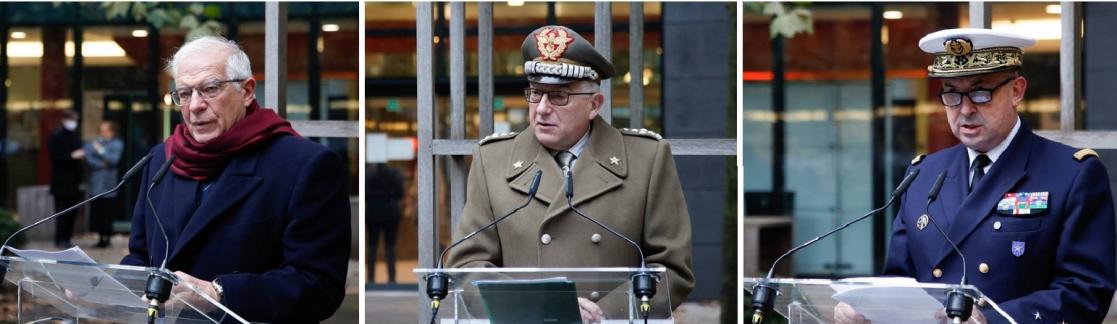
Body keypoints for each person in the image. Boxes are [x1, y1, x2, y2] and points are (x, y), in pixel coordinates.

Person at [840, 28, 1116, 323]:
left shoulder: (1070, 173)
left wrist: (991, 320)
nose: (966, 110)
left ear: (1016, 91)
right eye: (952, 94)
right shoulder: (923, 174)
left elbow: (1085, 293)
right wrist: (869, 311)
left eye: (980, 93)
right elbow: (900, 280)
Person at [446, 25, 695, 322]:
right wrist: (545, 307)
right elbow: (466, 265)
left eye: (559, 96)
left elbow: (672, 269)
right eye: (535, 93)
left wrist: (599, 316)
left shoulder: (646, 159)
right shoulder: (493, 160)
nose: (542, 109)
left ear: (594, 104)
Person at [120, 36, 350, 323]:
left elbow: (319, 286)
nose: (194, 106)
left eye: (210, 89)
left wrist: (218, 293)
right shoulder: (162, 158)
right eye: (184, 93)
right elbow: (140, 257)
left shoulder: (305, 165)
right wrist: (103, 286)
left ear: (247, 90)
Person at [48, 110, 84, 249]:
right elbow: (56, 157)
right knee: (61, 212)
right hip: (61, 181)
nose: (74, 123)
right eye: (73, 119)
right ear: (64, 119)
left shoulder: (75, 135)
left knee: (72, 212)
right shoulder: (56, 136)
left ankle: (67, 238)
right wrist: (72, 156)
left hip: (74, 181)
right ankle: (60, 238)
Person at [84, 120, 124, 248]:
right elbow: (89, 158)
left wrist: (101, 151)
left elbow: (114, 160)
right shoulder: (96, 143)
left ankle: (107, 238)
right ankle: (100, 238)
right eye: (101, 130)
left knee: (108, 212)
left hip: (109, 183)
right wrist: (102, 163)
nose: (102, 133)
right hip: (96, 183)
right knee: (98, 212)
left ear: (111, 131)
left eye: (105, 130)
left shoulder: (117, 143)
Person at [366, 162, 404, 284]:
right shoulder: (393, 173)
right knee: (390, 247)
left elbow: (366, 194)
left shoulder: (369, 174)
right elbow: (400, 193)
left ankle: (371, 278)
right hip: (390, 214)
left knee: (372, 246)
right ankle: (391, 278)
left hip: (373, 213)